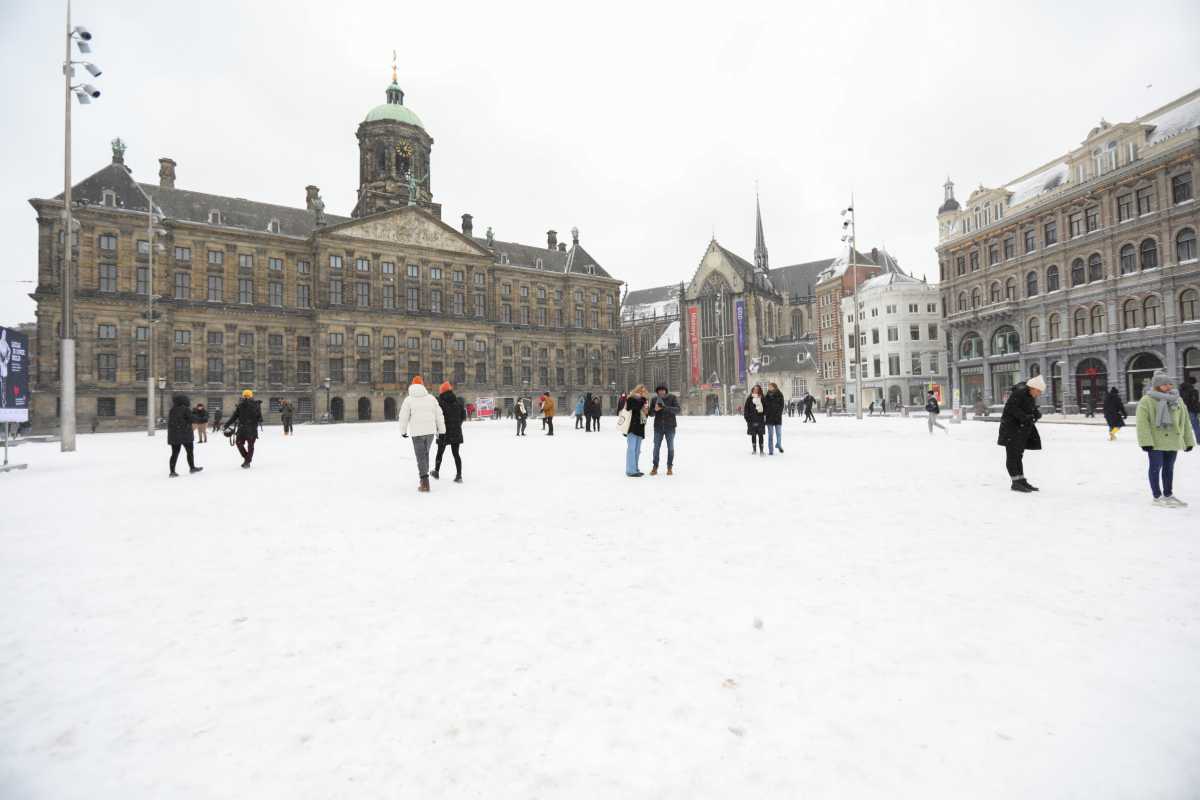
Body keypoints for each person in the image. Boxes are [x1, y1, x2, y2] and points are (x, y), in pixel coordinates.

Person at [1136, 372, 1195, 507]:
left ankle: (1168, 494)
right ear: (1157, 386)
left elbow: (1185, 422)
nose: (1168, 386)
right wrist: (1146, 442)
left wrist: (1188, 441)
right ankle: (1157, 496)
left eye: (1169, 384)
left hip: (1173, 440)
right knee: (1155, 468)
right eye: (1164, 384)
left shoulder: (1177, 400)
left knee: (1169, 468)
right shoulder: (1147, 400)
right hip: (1155, 442)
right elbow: (1142, 423)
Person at [397, 376, 445, 493]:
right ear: (423, 385)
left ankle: (424, 483)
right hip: (430, 432)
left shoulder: (408, 400)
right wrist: (442, 431)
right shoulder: (431, 398)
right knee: (425, 454)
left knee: (421, 457)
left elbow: (403, 417)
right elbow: (439, 415)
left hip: (417, 433)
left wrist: (403, 431)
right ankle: (424, 478)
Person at [997, 374, 1044, 492]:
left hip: (1021, 431)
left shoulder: (1029, 396)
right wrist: (1025, 417)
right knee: (1013, 456)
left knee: (1018, 455)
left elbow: (1027, 408)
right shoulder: (1019, 394)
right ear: (1033, 388)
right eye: (1039, 391)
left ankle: (1021, 480)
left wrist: (1035, 413)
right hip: (1011, 430)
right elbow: (1011, 408)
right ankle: (1015, 482)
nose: (1039, 394)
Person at [432, 381, 466, 483]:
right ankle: (459, 475)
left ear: (442, 391)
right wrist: (457, 425)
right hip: (456, 432)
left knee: (440, 453)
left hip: (444, 433)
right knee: (456, 454)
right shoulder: (458, 402)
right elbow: (463, 416)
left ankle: (436, 472)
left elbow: (437, 418)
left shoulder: (440, 403)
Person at [223, 389, 263, 469]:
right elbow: (234, 417)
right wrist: (226, 425)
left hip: (251, 429)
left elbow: (260, 418)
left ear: (251, 396)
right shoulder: (240, 406)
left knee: (250, 446)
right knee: (238, 443)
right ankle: (247, 458)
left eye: (248, 396)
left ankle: (247, 462)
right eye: (245, 396)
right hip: (242, 429)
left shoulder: (255, 405)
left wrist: (258, 417)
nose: (246, 397)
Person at [167, 394, 203, 477]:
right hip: (185, 434)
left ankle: (172, 472)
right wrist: (196, 414)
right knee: (189, 452)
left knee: (174, 453)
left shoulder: (172, 410)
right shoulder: (185, 409)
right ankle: (192, 467)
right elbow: (192, 419)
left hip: (174, 435)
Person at [648, 383, 679, 476]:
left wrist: (665, 408)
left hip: (670, 427)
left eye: (663, 390)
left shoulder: (672, 398)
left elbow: (678, 409)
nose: (661, 392)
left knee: (670, 448)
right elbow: (650, 414)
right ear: (657, 392)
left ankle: (669, 467)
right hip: (658, 427)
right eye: (659, 390)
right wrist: (655, 410)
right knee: (656, 448)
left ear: (666, 391)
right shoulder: (654, 399)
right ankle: (655, 466)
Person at [623, 384, 649, 477]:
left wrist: (646, 412)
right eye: (641, 390)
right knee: (631, 449)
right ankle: (630, 470)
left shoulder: (644, 401)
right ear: (636, 390)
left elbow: (645, 415)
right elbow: (635, 408)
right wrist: (643, 400)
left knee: (637, 450)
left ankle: (635, 469)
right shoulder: (631, 399)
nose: (642, 392)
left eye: (644, 391)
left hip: (640, 428)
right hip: (632, 427)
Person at [763, 381, 785, 454]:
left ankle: (778, 444)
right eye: (768, 386)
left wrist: (779, 413)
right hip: (769, 418)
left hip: (777, 417)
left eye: (770, 386)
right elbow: (764, 406)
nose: (769, 387)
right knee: (770, 435)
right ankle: (771, 451)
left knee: (778, 434)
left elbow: (782, 405)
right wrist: (765, 414)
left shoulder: (779, 394)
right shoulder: (767, 396)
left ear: (774, 387)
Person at [744, 385, 766, 455]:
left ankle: (761, 450)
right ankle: (754, 450)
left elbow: (766, 408)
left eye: (757, 389)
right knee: (753, 435)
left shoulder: (762, 398)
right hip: (752, 419)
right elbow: (746, 409)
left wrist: (765, 416)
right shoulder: (749, 398)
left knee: (761, 435)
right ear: (752, 390)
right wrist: (747, 418)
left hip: (760, 420)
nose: (756, 390)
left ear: (759, 390)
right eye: (754, 389)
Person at [1181, 375, 1200, 442]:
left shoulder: (1181, 389)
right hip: (1192, 410)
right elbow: (1195, 402)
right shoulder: (1193, 391)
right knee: (1196, 425)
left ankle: (1182, 440)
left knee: (1183, 426)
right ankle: (1199, 440)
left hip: (1182, 410)